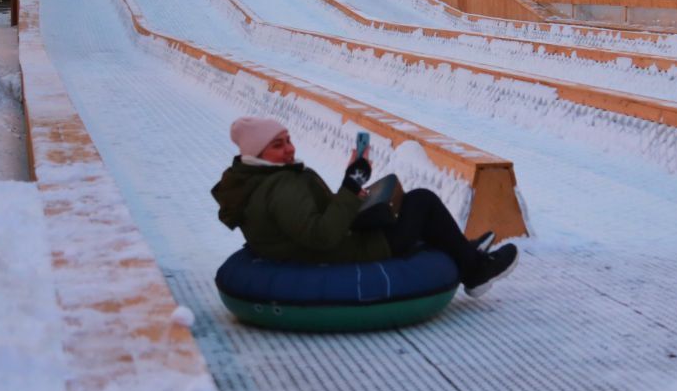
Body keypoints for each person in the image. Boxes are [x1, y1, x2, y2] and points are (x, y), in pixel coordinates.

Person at [212, 117, 519, 297]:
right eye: (277, 145)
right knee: (421, 201)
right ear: (258, 153)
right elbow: (322, 236)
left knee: (398, 205)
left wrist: (353, 193)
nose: (290, 148)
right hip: (348, 250)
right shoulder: (281, 185)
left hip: (332, 241)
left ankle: (463, 249)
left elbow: (310, 216)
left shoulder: (256, 180)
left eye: (288, 140)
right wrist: (349, 185)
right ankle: (476, 271)